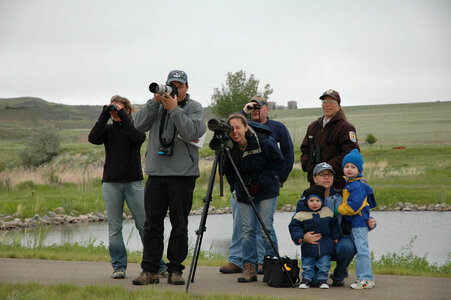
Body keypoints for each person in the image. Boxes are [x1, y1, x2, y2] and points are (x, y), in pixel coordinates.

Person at [132, 70, 206, 286]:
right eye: (171, 85)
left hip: (183, 176)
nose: (175, 90)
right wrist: (154, 103)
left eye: (179, 86)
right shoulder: (155, 106)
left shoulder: (194, 108)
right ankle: (150, 270)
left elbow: (192, 132)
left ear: (187, 88)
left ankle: (175, 270)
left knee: (179, 225)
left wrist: (174, 110)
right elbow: (138, 126)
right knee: (152, 225)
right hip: (156, 174)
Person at [88, 95, 166, 279]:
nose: (116, 112)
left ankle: (157, 266)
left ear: (128, 110)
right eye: (114, 109)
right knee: (114, 227)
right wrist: (104, 114)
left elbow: (137, 138)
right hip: (110, 184)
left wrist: (123, 116)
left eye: (120, 108)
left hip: (134, 183)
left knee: (144, 225)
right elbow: (93, 138)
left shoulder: (135, 129)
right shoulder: (107, 130)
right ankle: (119, 267)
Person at [220, 96, 295, 274]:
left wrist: (275, 180)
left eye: (239, 127)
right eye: (232, 129)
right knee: (246, 229)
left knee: (265, 227)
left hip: (267, 188)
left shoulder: (266, 137)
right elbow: (229, 171)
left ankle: (271, 266)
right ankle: (249, 267)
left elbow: (281, 159)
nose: (235, 131)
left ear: (246, 127)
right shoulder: (231, 144)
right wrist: (235, 189)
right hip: (244, 190)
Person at [302, 162, 376, 287]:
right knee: (314, 283)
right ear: (315, 178)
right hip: (316, 244)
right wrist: (303, 237)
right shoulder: (306, 197)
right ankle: (314, 274)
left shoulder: (343, 196)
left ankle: (339, 275)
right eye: (322, 174)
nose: (326, 177)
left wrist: (371, 223)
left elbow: (357, 211)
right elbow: (295, 223)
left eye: (329, 174)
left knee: (348, 246)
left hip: (338, 241)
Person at [300, 89, 360, 190]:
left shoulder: (346, 128)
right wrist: (312, 169)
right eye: (324, 102)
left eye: (331, 102)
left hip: (337, 185)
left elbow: (350, 154)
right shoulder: (313, 127)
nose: (327, 105)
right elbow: (305, 151)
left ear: (339, 107)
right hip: (315, 184)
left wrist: (326, 169)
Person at [338, 149, 377, 289]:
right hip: (358, 223)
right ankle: (367, 278)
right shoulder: (353, 183)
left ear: (359, 169)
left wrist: (339, 209)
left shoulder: (357, 185)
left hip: (359, 224)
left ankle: (365, 279)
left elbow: (353, 207)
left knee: (362, 251)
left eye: (353, 167)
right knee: (361, 250)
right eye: (346, 166)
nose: (349, 169)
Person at [288, 185, 340, 289]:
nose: (314, 203)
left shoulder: (327, 212)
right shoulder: (301, 214)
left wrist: (335, 236)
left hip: (325, 244)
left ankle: (323, 281)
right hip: (308, 245)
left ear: (322, 202)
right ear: (306, 201)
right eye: (311, 200)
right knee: (307, 263)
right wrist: (300, 237)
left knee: (324, 263)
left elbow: (334, 225)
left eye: (317, 200)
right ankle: (306, 280)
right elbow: (294, 227)